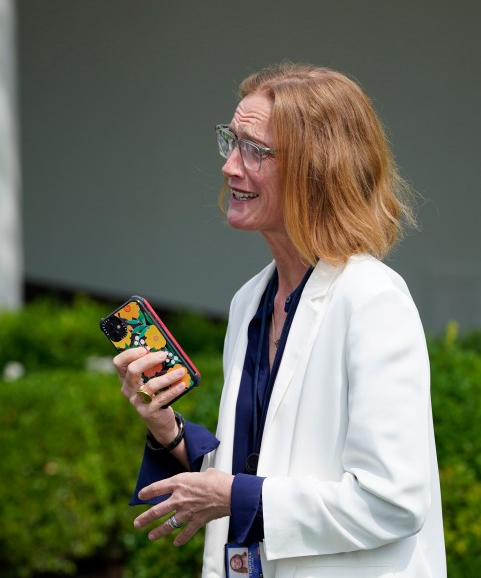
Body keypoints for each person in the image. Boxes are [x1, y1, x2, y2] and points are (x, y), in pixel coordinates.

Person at [113, 63, 446, 577]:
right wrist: (168, 429)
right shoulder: (250, 301)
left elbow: (393, 502)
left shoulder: (372, 299)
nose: (229, 167)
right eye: (231, 141)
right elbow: (257, 470)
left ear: (318, 168)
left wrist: (237, 496)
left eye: (255, 150)